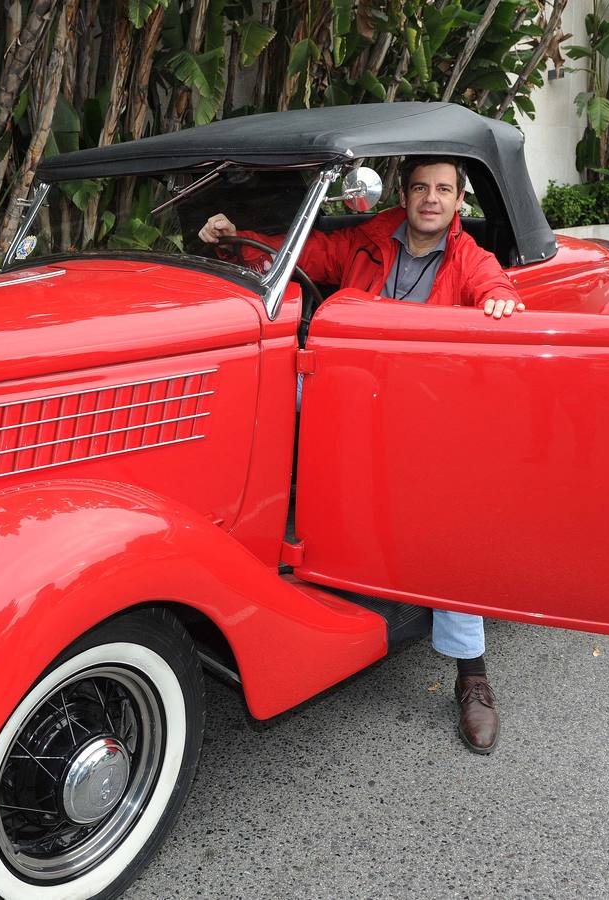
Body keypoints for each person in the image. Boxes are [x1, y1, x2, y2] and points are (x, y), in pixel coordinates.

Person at [198, 156, 523, 755]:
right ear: (404, 192)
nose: (431, 199)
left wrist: (500, 300)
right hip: (351, 390)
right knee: (269, 391)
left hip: (425, 406)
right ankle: (262, 549)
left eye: (444, 190)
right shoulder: (368, 240)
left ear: (458, 202)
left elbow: (493, 285)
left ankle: (472, 674)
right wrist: (236, 243)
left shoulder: (468, 256)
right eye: (421, 187)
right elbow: (301, 253)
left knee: (449, 525)